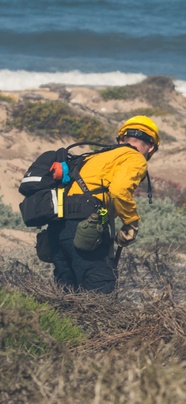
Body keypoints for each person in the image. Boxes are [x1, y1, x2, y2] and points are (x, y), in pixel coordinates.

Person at [50, 115, 159, 293]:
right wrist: (131, 222)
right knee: (99, 291)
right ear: (152, 146)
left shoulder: (98, 156)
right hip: (85, 228)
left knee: (66, 294)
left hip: (58, 229)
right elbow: (118, 190)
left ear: (121, 138)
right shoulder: (135, 157)